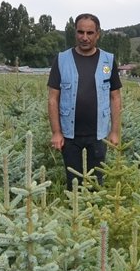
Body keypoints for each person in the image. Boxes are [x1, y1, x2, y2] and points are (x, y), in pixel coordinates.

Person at [47, 13, 122, 189]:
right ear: (75, 33)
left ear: (98, 34)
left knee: (97, 183)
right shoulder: (62, 59)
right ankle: (74, 214)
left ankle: (95, 214)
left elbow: (115, 97)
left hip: (99, 134)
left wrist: (115, 131)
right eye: (81, 32)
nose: (85, 38)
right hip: (69, 135)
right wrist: (56, 132)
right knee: (73, 182)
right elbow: (53, 98)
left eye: (90, 33)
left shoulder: (108, 61)